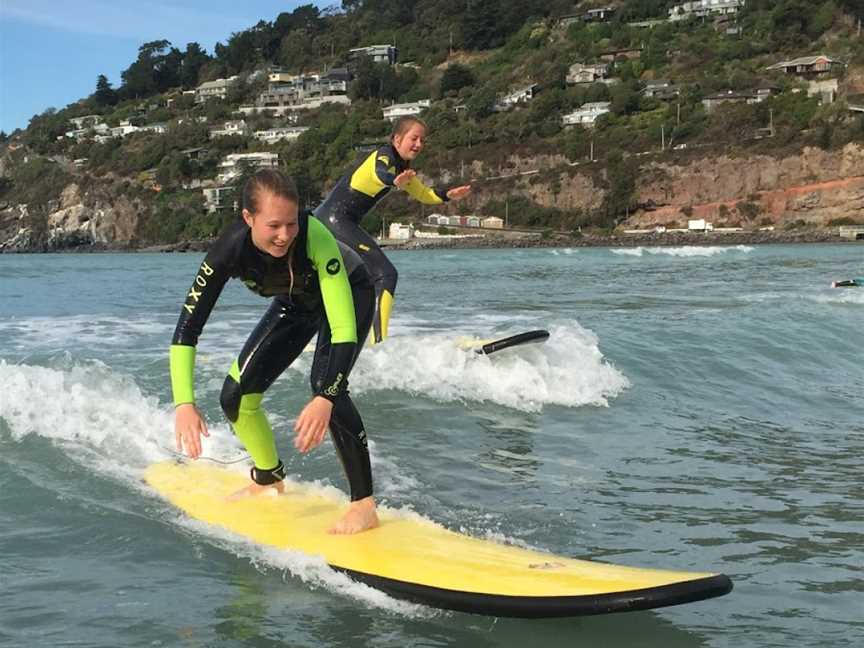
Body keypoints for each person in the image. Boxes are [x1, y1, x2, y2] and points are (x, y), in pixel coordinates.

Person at [170, 169, 379, 534]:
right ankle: (269, 477)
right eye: (274, 226)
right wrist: (183, 403)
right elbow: (188, 327)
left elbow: (343, 326)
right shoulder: (228, 251)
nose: (285, 235)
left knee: (326, 385)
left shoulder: (314, 235)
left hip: (352, 292)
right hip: (296, 303)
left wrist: (326, 397)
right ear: (248, 218)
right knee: (235, 397)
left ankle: (364, 505)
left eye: (291, 224)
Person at [314, 116, 472, 344]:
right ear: (397, 139)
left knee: (351, 280)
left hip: (333, 221)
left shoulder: (402, 168)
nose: (419, 144)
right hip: (334, 221)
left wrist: (447, 195)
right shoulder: (385, 155)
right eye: (414, 138)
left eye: (422, 140)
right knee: (385, 274)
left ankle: (336, 337)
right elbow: (380, 174)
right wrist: (394, 181)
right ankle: (378, 342)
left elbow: (423, 194)